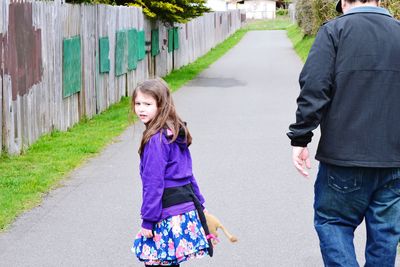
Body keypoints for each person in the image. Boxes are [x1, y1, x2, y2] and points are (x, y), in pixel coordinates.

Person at [287, 0, 400, 266]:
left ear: (343, 2)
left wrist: (300, 138)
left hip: (342, 160)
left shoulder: (334, 32)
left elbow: (314, 87)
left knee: (333, 223)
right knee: (385, 236)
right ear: (381, 1)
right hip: (394, 161)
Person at [131, 78, 213, 266]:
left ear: (162, 106)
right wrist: (199, 202)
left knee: (156, 261)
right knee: (168, 261)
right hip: (183, 208)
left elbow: (154, 183)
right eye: (138, 103)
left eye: (148, 104)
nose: (141, 109)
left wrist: (148, 220)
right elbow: (188, 174)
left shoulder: (156, 140)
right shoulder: (174, 132)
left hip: (165, 212)